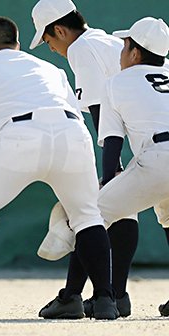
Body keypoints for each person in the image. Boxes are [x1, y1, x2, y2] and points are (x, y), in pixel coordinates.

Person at [0, 16, 118, 320]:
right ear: (17, 44)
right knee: (88, 216)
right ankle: (105, 299)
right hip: (72, 136)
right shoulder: (50, 68)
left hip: (19, 137)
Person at [29, 0, 138, 318]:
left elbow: (99, 109)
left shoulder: (81, 48)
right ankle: (116, 295)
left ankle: (76, 295)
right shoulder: (109, 41)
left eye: (48, 40)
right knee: (128, 211)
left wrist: (110, 166)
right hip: (152, 133)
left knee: (91, 212)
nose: (50, 48)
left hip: (144, 144)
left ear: (60, 30)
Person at [95, 17, 169, 317]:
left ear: (135, 53)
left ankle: (98, 296)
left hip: (156, 158)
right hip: (158, 157)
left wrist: (107, 179)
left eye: (125, 46)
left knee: (90, 216)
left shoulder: (115, 82)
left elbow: (112, 140)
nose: (122, 53)